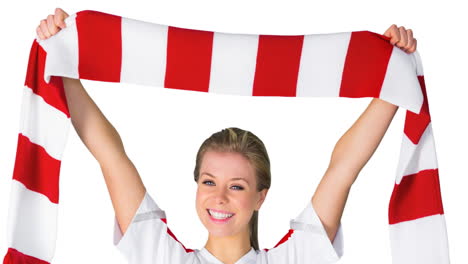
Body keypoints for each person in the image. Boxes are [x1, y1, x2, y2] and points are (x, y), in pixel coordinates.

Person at [36, 7, 418, 264]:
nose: (218, 197)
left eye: (236, 186)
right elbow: (110, 155)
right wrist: (62, 63)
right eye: (209, 181)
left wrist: (391, 82)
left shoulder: (298, 255)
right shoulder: (159, 254)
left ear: (260, 197)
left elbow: (344, 168)